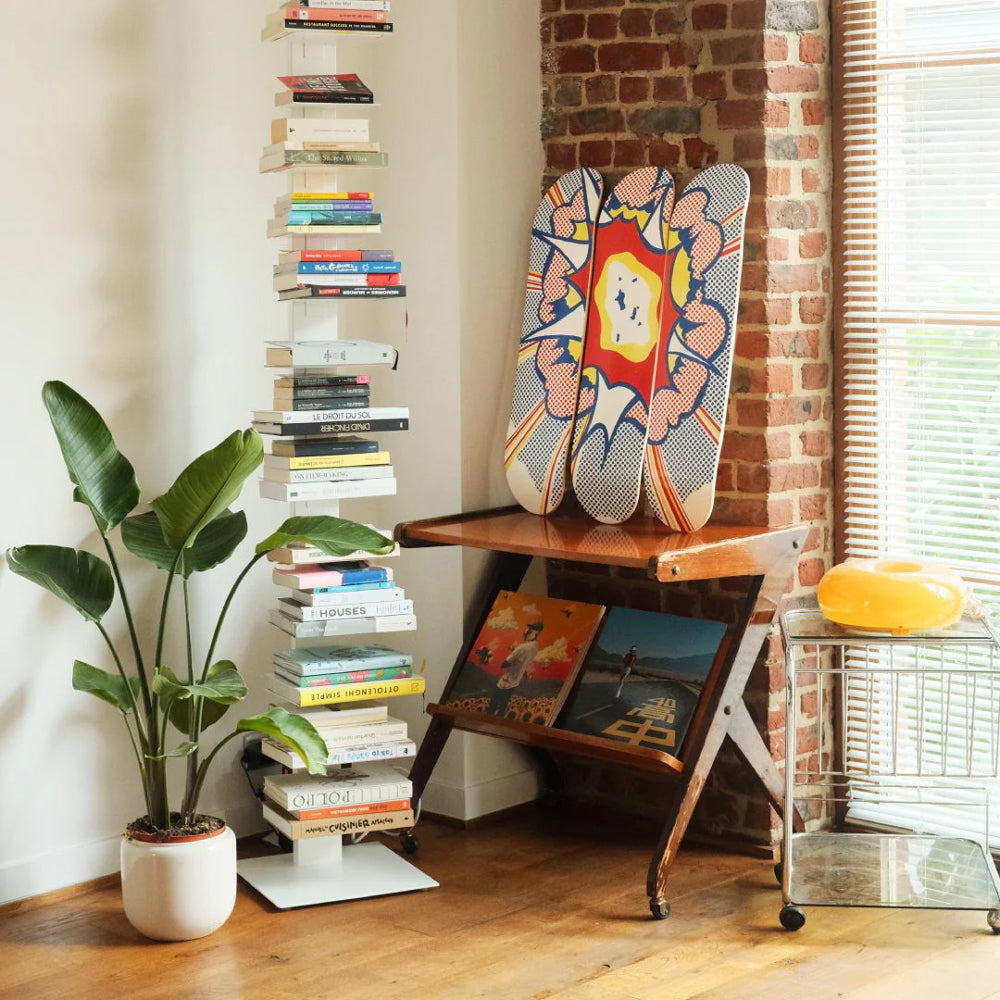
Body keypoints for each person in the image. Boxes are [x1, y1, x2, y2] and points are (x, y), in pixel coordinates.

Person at [489, 621, 543, 714]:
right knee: (504, 703)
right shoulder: (535, 647)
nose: (526, 633)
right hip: (516, 680)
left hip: (507, 680)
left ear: (535, 633)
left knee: (494, 702)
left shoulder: (522, 648)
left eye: (529, 631)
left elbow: (504, 664)